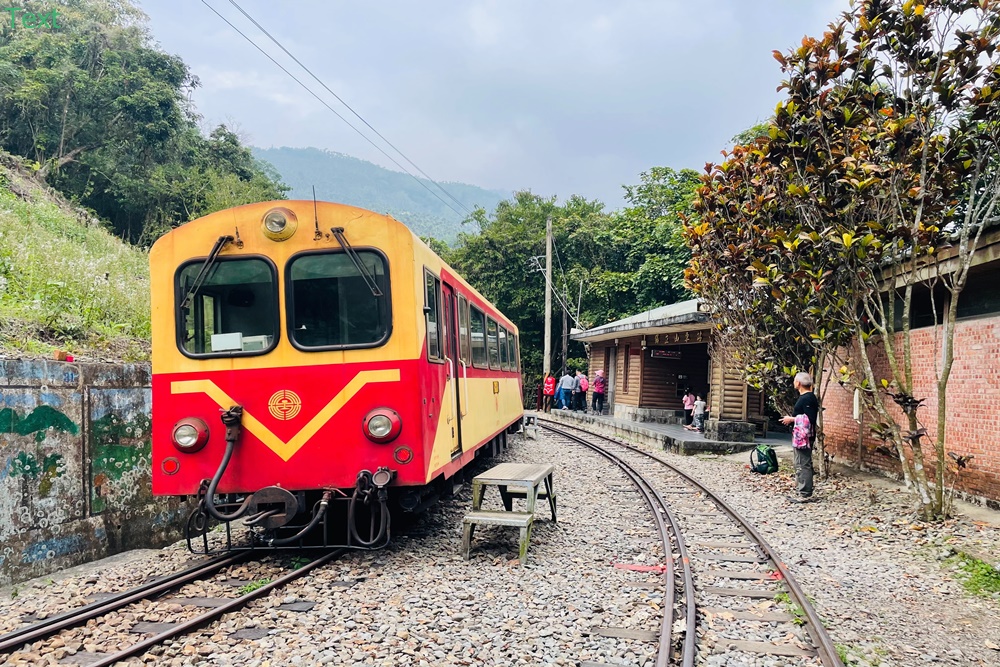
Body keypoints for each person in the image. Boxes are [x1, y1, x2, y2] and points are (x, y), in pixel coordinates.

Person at [780, 371, 819, 502]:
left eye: (795, 381)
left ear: (799, 383)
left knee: (803, 463)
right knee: (799, 463)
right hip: (800, 436)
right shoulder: (807, 397)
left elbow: (810, 419)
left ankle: (805, 492)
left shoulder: (808, 398)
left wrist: (792, 419)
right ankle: (801, 489)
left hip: (804, 437)